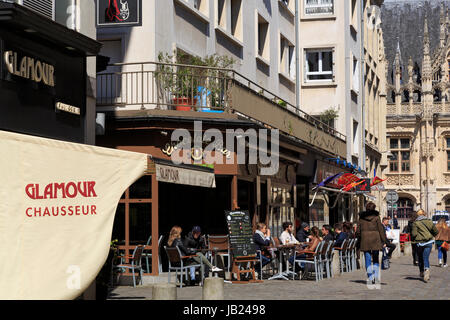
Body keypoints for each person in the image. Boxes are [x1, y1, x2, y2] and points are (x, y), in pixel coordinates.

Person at [356, 202, 387, 285]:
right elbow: (380, 229)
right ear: (374, 208)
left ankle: (370, 277)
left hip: (365, 239)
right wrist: (384, 240)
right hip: (375, 239)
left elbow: (358, 231)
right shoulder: (376, 217)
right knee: (376, 259)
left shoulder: (361, 218)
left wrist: (360, 237)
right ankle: (376, 277)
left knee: (367, 258)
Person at [411, 209, 438, 283]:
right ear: (424, 214)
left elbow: (414, 234)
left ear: (418, 215)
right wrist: (431, 235)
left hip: (420, 243)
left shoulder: (415, 223)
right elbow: (436, 231)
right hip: (429, 242)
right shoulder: (429, 221)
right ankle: (427, 270)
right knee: (426, 257)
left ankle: (421, 272)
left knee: (420, 258)